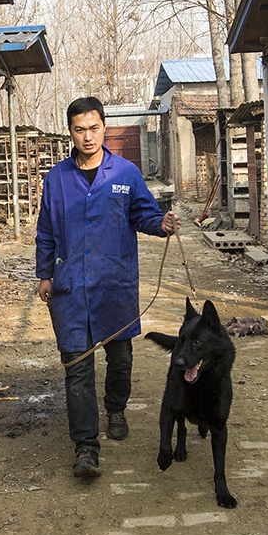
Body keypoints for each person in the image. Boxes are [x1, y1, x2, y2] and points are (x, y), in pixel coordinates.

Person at [36, 96, 179, 478]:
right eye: (79, 129)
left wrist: (160, 224)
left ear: (104, 127)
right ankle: (85, 446)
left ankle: (116, 408)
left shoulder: (126, 174)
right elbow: (46, 230)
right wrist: (44, 273)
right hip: (71, 286)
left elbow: (144, 214)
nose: (87, 136)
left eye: (94, 128)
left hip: (114, 283)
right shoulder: (57, 179)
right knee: (77, 366)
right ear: (70, 131)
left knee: (121, 359)